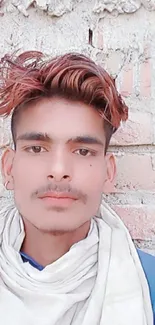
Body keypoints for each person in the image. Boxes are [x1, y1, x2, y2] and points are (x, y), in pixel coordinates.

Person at [0, 50, 154, 325]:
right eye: (36, 148)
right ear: (9, 168)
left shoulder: (148, 284)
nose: (59, 170)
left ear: (109, 173)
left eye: (83, 151)